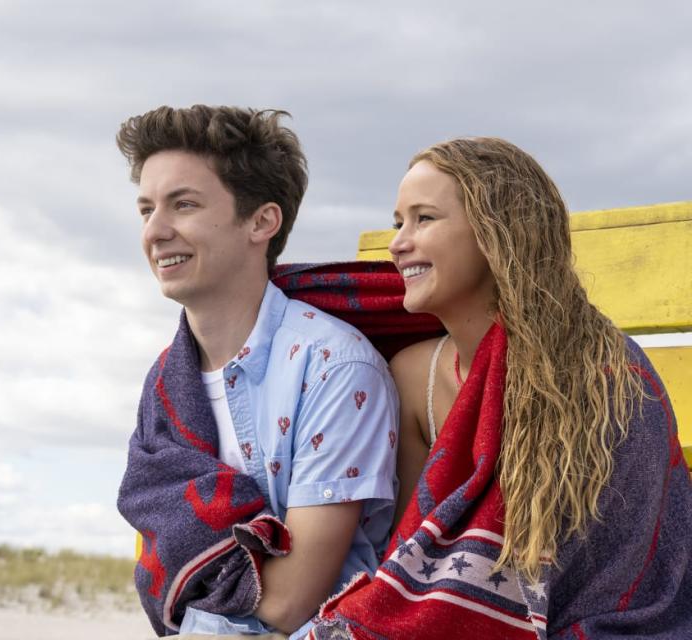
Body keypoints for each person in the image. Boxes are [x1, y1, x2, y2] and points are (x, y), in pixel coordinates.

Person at [309, 137, 692, 639]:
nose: (398, 243)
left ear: (497, 233)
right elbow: (412, 557)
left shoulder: (603, 377)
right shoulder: (411, 374)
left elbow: (620, 566)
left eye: (424, 218)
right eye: (398, 220)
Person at [115, 105, 400, 638]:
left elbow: (289, 603)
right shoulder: (165, 385)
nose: (155, 231)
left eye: (184, 204)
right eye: (146, 209)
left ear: (262, 221)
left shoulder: (334, 367)